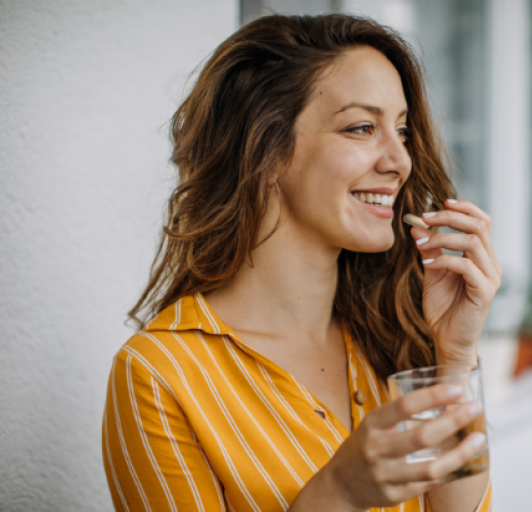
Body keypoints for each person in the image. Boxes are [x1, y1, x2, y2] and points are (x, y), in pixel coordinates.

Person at [102, 13, 501, 512]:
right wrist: (337, 493)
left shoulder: (393, 336)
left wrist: (456, 356)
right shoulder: (159, 375)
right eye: (361, 128)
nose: (400, 161)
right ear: (266, 150)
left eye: (401, 131)